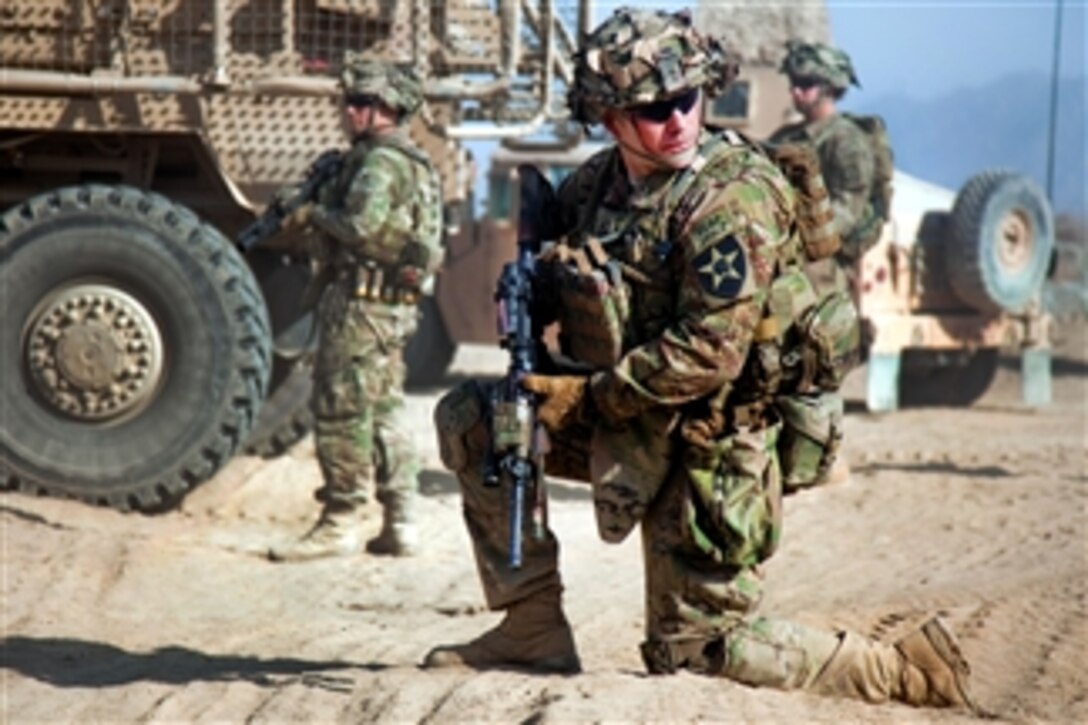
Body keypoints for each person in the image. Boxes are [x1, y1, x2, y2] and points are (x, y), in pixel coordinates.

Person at [423, 8, 978, 713]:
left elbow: (709, 353)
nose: (680, 119)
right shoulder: (594, 188)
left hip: (712, 439)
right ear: (612, 119)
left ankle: (900, 671)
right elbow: (564, 275)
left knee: (696, 654)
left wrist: (585, 401)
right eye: (655, 108)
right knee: (478, 418)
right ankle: (531, 626)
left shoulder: (731, 197)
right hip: (630, 417)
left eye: (690, 98)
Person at [268, 55, 443, 562]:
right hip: (390, 307)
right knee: (385, 408)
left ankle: (340, 519)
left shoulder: (378, 163)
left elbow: (362, 227)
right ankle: (401, 520)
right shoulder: (412, 159)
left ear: (386, 109)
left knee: (341, 407)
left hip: (361, 307)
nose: (349, 112)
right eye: (350, 102)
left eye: (360, 103)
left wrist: (312, 213)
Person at [768, 40, 879, 292]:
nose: (795, 91)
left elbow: (848, 209)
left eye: (806, 85)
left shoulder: (847, 141)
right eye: (793, 84)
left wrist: (798, 237)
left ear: (829, 88)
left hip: (822, 267)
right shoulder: (785, 137)